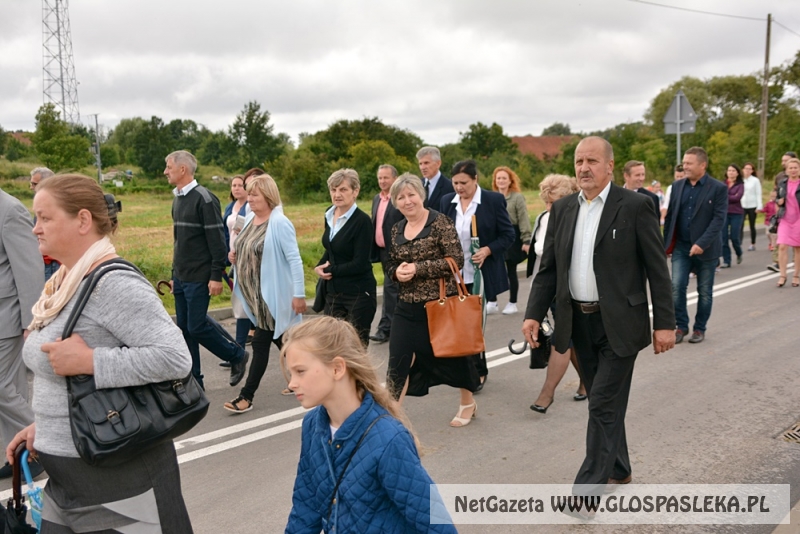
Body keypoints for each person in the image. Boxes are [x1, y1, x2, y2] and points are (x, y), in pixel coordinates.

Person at [7, 174, 194, 532]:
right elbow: (63, 380)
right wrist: (43, 426)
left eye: (45, 218)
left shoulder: (113, 284)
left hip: (120, 480)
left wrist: (90, 361)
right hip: (70, 479)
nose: (35, 229)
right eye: (35, 218)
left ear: (82, 220)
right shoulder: (62, 283)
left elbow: (175, 357)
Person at [522, 136, 675, 504]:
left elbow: (657, 269)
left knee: (603, 402)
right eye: (578, 161)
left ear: (609, 166)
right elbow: (548, 272)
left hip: (620, 324)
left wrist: (665, 323)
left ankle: (586, 493)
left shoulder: (636, 206)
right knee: (606, 402)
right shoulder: (562, 210)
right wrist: (532, 313)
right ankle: (619, 467)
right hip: (578, 323)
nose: (584, 168)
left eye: (592, 161)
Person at [283, 316, 455, 533]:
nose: (291, 383)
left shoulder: (388, 438)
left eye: (300, 371)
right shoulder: (313, 425)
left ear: (337, 368)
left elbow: (436, 522)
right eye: (291, 373)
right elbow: (305, 508)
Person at [385, 173, 481, 427]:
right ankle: (391, 417)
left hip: (440, 306)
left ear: (421, 195)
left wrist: (418, 269)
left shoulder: (440, 223)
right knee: (397, 362)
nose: (407, 201)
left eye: (411, 195)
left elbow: (455, 261)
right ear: (395, 202)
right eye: (401, 197)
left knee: (455, 357)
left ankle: (467, 402)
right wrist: (396, 272)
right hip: (406, 307)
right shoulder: (396, 229)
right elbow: (390, 263)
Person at [165, 150, 249, 389]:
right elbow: (179, 242)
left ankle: (236, 355)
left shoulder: (205, 198)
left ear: (183, 169)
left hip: (200, 276)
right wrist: (174, 276)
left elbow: (217, 241)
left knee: (196, 326)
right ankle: (195, 383)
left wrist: (216, 275)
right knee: (185, 329)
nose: (165, 172)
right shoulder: (177, 199)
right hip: (181, 276)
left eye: (168, 167)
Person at [224, 175, 307, 413]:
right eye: (248, 194)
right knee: (283, 342)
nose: (249, 199)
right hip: (253, 297)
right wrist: (235, 256)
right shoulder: (250, 218)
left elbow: (295, 260)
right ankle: (312, 375)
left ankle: (246, 397)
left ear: (268, 196)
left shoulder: (280, 223)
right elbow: (243, 245)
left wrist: (299, 295)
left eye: (254, 195)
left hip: (271, 297)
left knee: (260, 343)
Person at [441, 160, 514, 388]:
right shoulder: (446, 202)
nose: (459, 187)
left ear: (475, 180)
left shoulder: (492, 201)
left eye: (464, 183)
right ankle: (464, 369)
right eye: (455, 183)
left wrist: (488, 249)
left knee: (473, 326)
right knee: (458, 326)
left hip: (480, 276)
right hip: (454, 275)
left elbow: (508, 234)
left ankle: (478, 372)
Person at [525, 174, 586, 412]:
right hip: (547, 290)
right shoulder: (542, 219)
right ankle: (587, 382)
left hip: (570, 291)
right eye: (547, 202)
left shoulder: (577, 219)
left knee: (562, 339)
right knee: (568, 341)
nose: (550, 207)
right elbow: (540, 259)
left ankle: (546, 394)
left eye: (555, 201)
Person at [0, 185, 44, 480]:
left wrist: (32, 322)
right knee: (10, 387)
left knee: (2, 388)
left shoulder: (9, 210)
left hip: (6, 317)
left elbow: (29, 268)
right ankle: (18, 454)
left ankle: (47, 442)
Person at [663, 147, 727, 344]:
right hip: (681, 247)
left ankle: (700, 328)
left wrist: (702, 243)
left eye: (689, 163)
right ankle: (681, 326)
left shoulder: (718, 188)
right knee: (676, 286)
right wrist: (665, 245)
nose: (685, 166)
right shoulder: (677, 186)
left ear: (703, 165)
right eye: (684, 162)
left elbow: (718, 220)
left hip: (706, 249)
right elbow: (671, 217)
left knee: (705, 291)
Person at [315, 169, 377, 346]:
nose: (337, 194)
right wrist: (320, 265)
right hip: (333, 293)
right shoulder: (329, 213)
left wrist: (329, 269)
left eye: (343, 189)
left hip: (359, 293)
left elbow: (359, 263)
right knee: (332, 345)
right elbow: (332, 248)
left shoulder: (362, 221)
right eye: (333, 190)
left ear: (355, 191)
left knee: (356, 347)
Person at [369, 164, 404, 344]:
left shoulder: (399, 199)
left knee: (390, 289)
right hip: (382, 251)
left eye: (386, 178)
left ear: (394, 179)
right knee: (393, 290)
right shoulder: (377, 199)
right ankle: (395, 326)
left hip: (397, 252)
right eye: (380, 178)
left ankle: (385, 329)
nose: (382, 181)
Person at [491, 166, 532, 315]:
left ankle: (512, 302)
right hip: (495, 237)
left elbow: (523, 218)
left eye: (504, 178)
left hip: (511, 235)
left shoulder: (517, 197)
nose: (501, 181)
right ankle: (492, 301)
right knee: (492, 269)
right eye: (498, 178)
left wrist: (526, 240)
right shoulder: (492, 197)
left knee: (511, 270)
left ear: (510, 181)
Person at [223, 174, 254, 357]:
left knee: (245, 303)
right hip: (233, 257)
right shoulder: (229, 207)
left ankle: (240, 349)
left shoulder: (250, 207)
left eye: (240, 185)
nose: (236, 188)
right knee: (242, 303)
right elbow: (225, 232)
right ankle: (239, 349)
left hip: (246, 259)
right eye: (233, 185)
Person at [768, 152, 797, 272]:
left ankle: (796, 264)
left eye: (786, 160)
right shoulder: (780, 177)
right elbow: (776, 195)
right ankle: (778, 263)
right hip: (783, 214)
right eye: (783, 160)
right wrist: (777, 211)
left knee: (797, 244)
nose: (783, 163)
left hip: (797, 216)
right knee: (781, 241)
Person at [30, 166, 60, 281]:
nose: (31, 187)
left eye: (34, 184)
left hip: (55, 262)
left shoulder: (60, 205)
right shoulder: (41, 205)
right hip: (44, 260)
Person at [775, 158, 800, 287]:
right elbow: (778, 197)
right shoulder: (782, 183)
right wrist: (778, 201)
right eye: (791, 168)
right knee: (782, 246)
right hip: (785, 218)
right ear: (786, 170)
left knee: (797, 248)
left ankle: (796, 275)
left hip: (799, 219)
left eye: (795, 167)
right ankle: (783, 275)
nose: (793, 170)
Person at [721, 164, 745, 268]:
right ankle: (727, 260)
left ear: (737, 173)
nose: (731, 172)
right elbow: (719, 196)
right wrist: (730, 196)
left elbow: (737, 198)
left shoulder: (740, 185)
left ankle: (739, 252)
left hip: (736, 213)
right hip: (724, 213)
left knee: (735, 237)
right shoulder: (722, 184)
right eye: (729, 170)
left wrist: (725, 196)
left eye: (733, 170)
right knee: (723, 237)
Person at [741, 162, 763, 251]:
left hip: (752, 205)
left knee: (752, 225)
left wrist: (759, 206)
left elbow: (758, 193)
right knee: (740, 225)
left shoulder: (755, 180)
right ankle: (739, 243)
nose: (747, 170)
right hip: (742, 205)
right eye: (746, 168)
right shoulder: (741, 180)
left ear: (752, 171)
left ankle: (752, 243)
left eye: (749, 169)